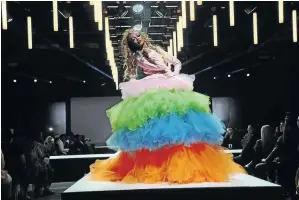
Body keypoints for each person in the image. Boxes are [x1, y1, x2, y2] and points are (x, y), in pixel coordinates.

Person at [89, 29, 246, 184]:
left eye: (137, 36)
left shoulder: (155, 49)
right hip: (152, 86)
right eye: (133, 39)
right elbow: (133, 74)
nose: (137, 39)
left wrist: (172, 73)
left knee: (177, 124)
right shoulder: (136, 57)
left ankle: (177, 165)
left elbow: (176, 62)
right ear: (130, 44)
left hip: (168, 83)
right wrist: (137, 79)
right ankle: (158, 166)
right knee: (154, 127)